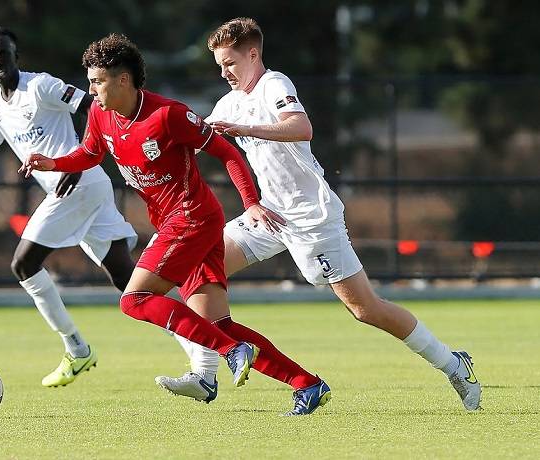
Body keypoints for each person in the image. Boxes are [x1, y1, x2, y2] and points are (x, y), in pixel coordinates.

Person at [156, 17, 482, 412]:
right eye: (219, 64)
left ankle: (452, 363)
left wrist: (244, 128)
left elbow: (301, 127)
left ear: (253, 54)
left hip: (311, 217)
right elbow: (205, 138)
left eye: (229, 62)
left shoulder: (274, 84)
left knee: (365, 309)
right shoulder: (228, 102)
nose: (224, 71)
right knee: (199, 268)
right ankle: (205, 375)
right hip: (268, 214)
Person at [20, 33, 332, 416]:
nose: (91, 90)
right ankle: (308, 384)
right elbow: (90, 152)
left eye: (97, 81)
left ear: (123, 80)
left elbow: (227, 152)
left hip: (193, 218)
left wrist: (250, 203)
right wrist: (52, 163)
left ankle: (232, 353)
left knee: (134, 300)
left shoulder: (168, 115)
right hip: (177, 222)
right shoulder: (100, 114)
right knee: (219, 323)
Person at [0, 27, 138, 388]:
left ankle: (77, 349)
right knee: (130, 283)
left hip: (80, 183)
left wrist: (78, 161)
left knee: (23, 263)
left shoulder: (39, 86)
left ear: (16, 54)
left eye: (3, 53)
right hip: (82, 190)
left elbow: (95, 108)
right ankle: (202, 343)